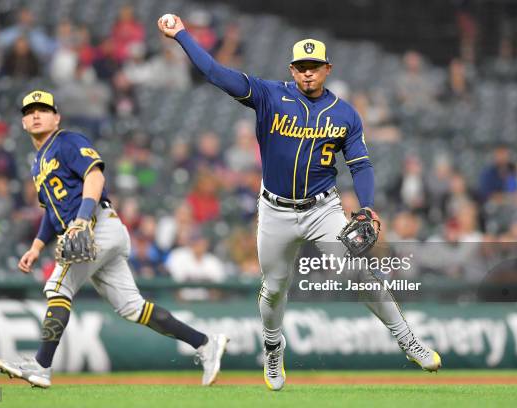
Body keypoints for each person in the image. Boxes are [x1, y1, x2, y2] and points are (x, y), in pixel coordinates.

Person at [159, 15, 441, 391]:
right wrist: (181, 35)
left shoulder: (344, 113)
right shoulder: (268, 94)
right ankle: (273, 347)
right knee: (274, 288)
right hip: (274, 210)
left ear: (327, 69)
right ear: (292, 69)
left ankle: (408, 340)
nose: (308, 74)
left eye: (315, 67)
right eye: (301, 67)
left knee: (356, 271)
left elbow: (360, 164)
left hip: (322, 208)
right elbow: (213, 71)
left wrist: (368, 205)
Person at [0, 90, 228, 388]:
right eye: (29, 112)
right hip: (94, 230)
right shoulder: (37, 162)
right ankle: (206, 343)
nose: (36, 115)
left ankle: (41, 365)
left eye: (43, 109)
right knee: (133, 307)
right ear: (24, 123)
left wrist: (82, 221)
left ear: (57, 117)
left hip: (95, 224)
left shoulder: (67, 140)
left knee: (58, 286)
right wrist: (37, 246)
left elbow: (95, 177)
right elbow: (51, 213)